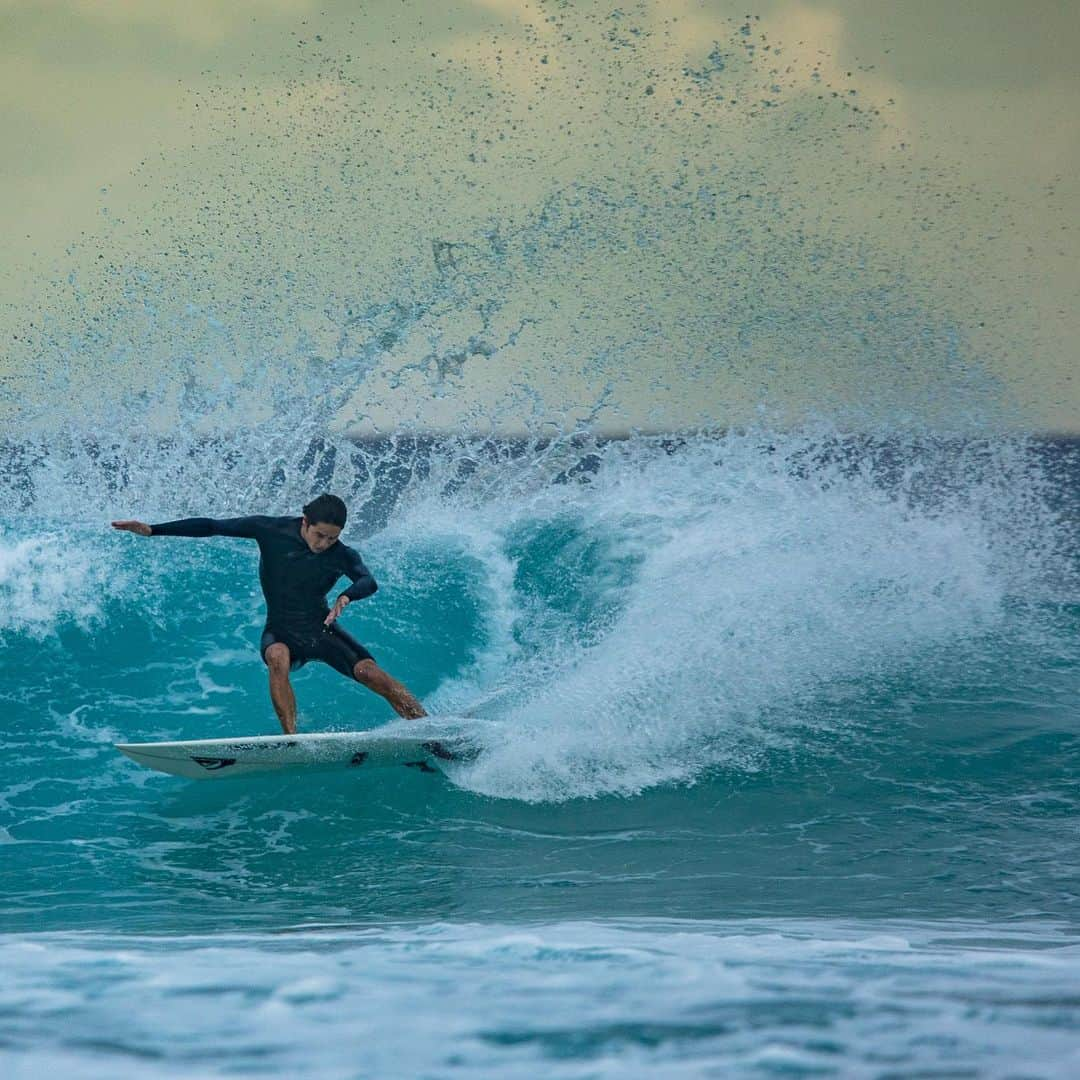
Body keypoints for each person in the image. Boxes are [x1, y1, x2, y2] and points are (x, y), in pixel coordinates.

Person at [111, 494, 426, 733]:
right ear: (305, 522)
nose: (325, 543)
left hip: (321, 630)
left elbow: (367, 581)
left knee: (369, 673)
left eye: (333, 537)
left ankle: (427, 729)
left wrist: (346, 595)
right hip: (282, 629)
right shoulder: (270, 530)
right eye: (320, 535)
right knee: (277, 657)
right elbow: (212, 526)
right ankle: (291, 740)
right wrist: (153, 530)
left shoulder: (342, 554)